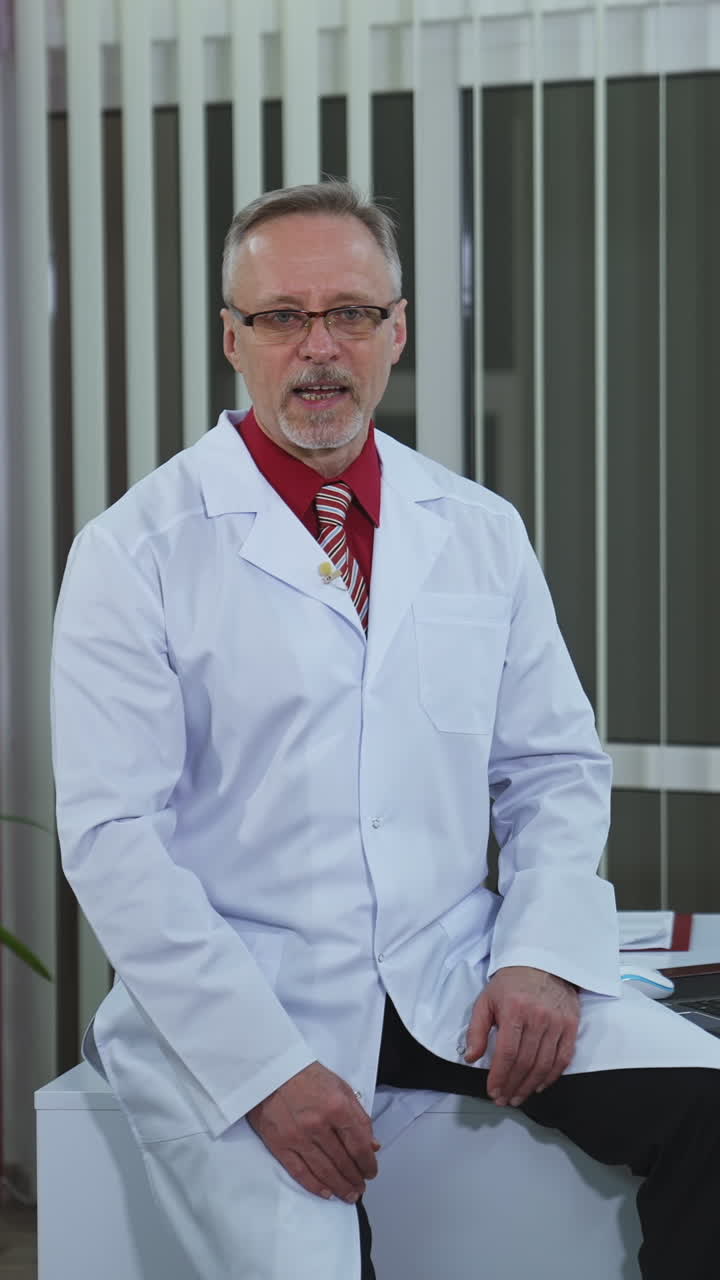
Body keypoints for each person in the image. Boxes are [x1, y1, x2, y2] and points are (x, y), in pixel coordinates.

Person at [51, 181, 720, 1280]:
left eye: (351, 313)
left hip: (447, 963)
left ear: (397, 330)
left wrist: (542, 954)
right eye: (282, 316)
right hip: (253, 989)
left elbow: (550, 766)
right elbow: (116, 838)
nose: (319, 348)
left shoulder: (476, 529)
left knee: (706, 1110)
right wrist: (263, 1068)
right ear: (233, 338)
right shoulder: (136, 552)